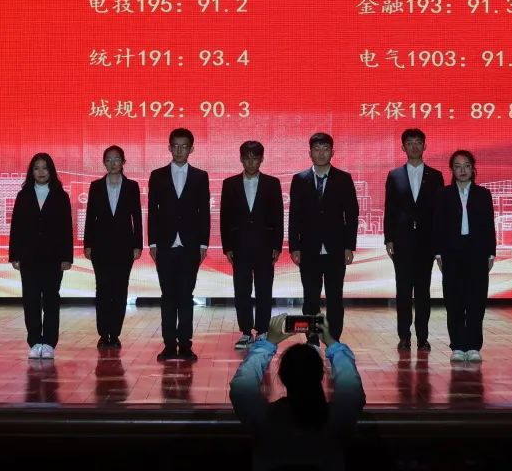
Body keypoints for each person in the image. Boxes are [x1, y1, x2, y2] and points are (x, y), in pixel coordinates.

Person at [229, 314, 366, 471]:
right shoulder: (338, 418)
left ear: (282, 377)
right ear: (321, 375)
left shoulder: (263, 419)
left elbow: (242, 386)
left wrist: (268, 344)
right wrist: (331, 343)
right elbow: (350, 384)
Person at [288, 133, 359, 344]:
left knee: (335, 297)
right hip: (308, 249)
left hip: (336, 248)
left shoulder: (344, 179)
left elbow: (352, 215)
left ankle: (333, 339)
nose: (321, 153)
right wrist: (294, 246)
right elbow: (294, 215)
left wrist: (349, 246)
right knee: (310, 297)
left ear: (332, 152)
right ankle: (312, 339)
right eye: (317, 149)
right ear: (310, 153)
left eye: (325, 149)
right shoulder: (299, 179)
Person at [148, 128, 210, 362]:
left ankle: (185, 344)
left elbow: (204, 212)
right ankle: (168, 345)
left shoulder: (200, 176)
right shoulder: (157, 175)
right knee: (168, 296)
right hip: (164, 245)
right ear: (169, 147)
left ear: (191, 149)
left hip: (191, 245)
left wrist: (203, 244)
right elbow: (153, 212)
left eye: (185, 146)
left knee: (185, 296)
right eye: (176, 146)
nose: (180, 150)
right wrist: (152, 242)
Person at [384, 128, 444, 351]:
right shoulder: (394, 175)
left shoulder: (435, 176)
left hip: (426, 243)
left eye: (418, 142)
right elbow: (390, 209)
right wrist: (388, 238)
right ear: (403, 147)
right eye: (410, 143)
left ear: (425, 146)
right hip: (402, 242)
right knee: (403, 291)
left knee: (423, 291)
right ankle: (404, 336)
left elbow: (440, 213)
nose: (414, 146)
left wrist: (438, 244)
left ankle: (422, 337)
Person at [433, 150, 496, 363]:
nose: (463, 170)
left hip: (477, 252)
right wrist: (438, 252)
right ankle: (458, 346)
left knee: (476, 301)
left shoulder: (483, 194)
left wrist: (491, 252)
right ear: (452, 170)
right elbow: (437, 225)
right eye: (458, 166)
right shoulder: (443, 194)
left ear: (473, 169)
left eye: (467, 166)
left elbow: (489, 225)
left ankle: (474, 346)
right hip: (452, 253)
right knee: (454, 301)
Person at [9, 153, 72, 360]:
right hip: (29, 257)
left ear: (51, 171)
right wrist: (14, 255)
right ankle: (35, 341)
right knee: (31, 300)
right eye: (36, 168)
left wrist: (66, 257)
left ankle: (50, 343)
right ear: (31, 172)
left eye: (45, 168)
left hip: (53, 258)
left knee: (51, 300)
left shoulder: (61, 195)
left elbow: (66, 228)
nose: (41, 172)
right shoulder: (23, 195)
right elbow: (16, 226)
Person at [221, 141, 284, 349]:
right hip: (239, 246)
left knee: (264, 289)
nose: (250, 162)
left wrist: (277, 245)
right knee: (242, 290)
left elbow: (278, 216)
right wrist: (227, 247)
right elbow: (225, 218)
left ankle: (263, 330)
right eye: (247, 158)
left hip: (265, 246)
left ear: (261, 159)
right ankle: (246, 332)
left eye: (255, 158)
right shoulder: (229, 184)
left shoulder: (272, 183)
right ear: (241, 159)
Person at [84, 145, 143, 349]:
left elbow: (137, 217)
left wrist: (137, 245)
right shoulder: (96, 186)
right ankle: (103, 333)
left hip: (124, 247)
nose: (113, 163)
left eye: (116, 159)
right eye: (108, 160)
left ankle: (115, 333)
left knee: (119, 289)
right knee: (102, 289)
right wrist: (88, 244)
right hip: (100, 246)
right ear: (104, 163)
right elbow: (90, 217)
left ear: (123, 162)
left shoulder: (132, 186)